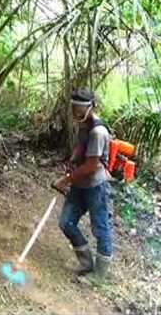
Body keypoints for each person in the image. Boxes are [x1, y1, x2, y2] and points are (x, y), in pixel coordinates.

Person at [54, 87, 113, 281]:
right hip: (80, 185)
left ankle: (99, 275)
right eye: (74, 109)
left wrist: (66, 180)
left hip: (96, 187)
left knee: (100, 228)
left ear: (90, 108)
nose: (75, 114)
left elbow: (91, 165)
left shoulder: (98, 132)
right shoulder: (84, 125)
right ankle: (86, 263)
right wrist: (72, 160)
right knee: (66, 223)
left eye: (79, 109)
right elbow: (81, 146)